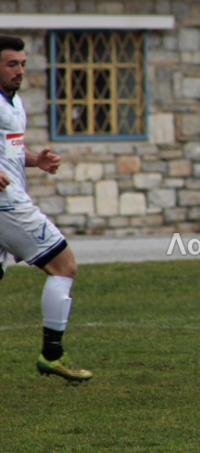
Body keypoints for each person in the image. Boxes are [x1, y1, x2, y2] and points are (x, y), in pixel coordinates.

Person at [0, 35, 93, 382]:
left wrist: (36, 160)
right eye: (12, 64)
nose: (20, 70)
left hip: (8, 201)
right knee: (64, 266)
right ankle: (51, 353)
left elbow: (9, 150)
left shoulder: (14, 103)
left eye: (22, 63)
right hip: (7, 205)